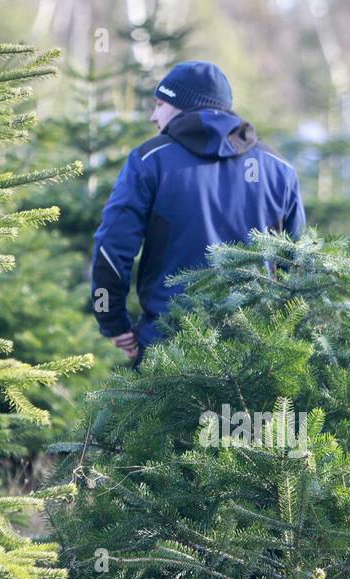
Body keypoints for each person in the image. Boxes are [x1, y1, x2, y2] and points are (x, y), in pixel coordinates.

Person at [90, 61, 306, 362]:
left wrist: (112, 321)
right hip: (256, 355)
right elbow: (297, 264)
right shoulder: (279, 169)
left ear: (183, 107)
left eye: (160, 103)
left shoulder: (148, 160)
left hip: (166, 350)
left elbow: (112, 247)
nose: (154, 116)